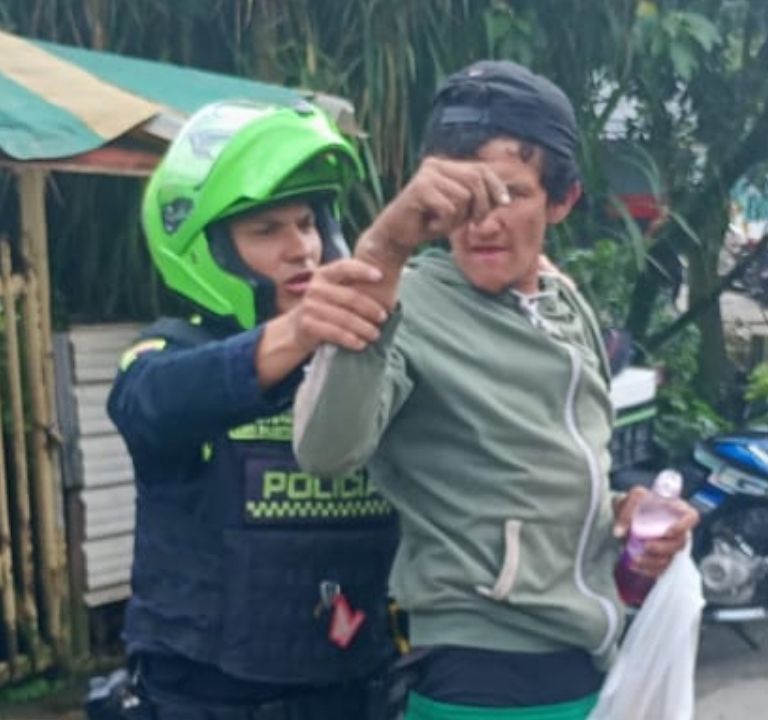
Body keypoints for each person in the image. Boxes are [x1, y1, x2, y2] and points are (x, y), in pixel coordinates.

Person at [292, 60, 698, 719]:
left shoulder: (566, 305)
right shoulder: (408, 301)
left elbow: (561, 459)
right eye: (461, 200)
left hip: (586, 656)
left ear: (561, 201)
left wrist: (628, 511)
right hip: (479, 670)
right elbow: (324, 449)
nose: (482, 223)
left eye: (509, 194)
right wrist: (384, 251)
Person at [106, 100, 400, 719]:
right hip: (206, 697)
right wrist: (297, 334)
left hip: (354, 689)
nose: (301, 249)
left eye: (307, 223)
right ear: (208, 250)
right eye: (266, 231)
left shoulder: (367, 362)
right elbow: (150, 403)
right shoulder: (171, 350)